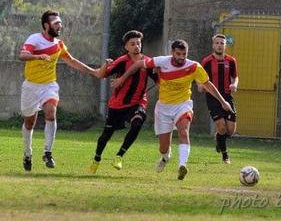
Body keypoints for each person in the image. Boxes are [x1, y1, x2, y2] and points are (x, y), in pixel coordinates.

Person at [111, 39, 233, 180]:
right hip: (163, 108)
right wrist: (122, 79)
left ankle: (182, 165)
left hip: (183, 105)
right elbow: (139, 64)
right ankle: (165, 157)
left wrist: (223, 102)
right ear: (172, 53)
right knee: (163, 147)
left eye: (184, 54)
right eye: (178, 54)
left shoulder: (194, 66)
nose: (181, 57)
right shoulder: (162, 61)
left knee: (183, 131)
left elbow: (207, 84)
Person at [19, 10, 99, 171]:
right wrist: (37, 56)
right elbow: (23, 55)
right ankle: (27, 153)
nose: (60, 26)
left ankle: (47, 152)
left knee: (51, 113)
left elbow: (72, 61)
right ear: (46, 25)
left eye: (60, 23)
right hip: (31, 87)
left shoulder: (59, 44)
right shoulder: (34, 39)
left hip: (49, 85)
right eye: (56, 23)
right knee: (29, 122)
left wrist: (93, 71)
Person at [88, 30, 159, 174]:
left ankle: (119, 156)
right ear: (126, 47)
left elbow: (159, 80)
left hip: (137, 103)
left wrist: (163, 80)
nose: (136, 46)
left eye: (138, 43)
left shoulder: (148, 62)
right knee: (105, 136)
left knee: (137, 122)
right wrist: (105, 64)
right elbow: (102, 75)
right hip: (117, 104)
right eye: (132, 44)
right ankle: (96, 159)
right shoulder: (121, 61)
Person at [199, 34, 238, 164]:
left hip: (227, 96)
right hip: (212, 97)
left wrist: (234, 85)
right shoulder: (206, 61)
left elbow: (235, 77)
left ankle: (219, 139)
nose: (219, 45)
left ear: (225, 45)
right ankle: (225, 156)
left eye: (222, 43)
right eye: (217, 43)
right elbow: (200, 78)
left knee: (230, 131)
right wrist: (200, 86)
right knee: (222, 128)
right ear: (213, 45)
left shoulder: (231, 61)